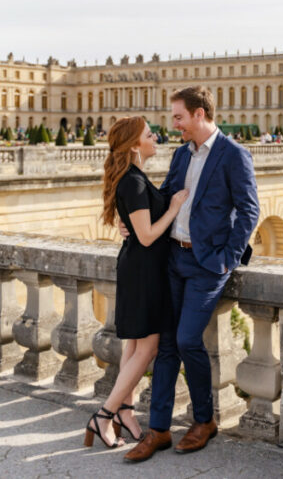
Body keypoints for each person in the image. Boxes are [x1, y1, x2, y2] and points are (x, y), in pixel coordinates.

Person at [124, 86, 259, 463]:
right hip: (173, 259)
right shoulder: (183, 154)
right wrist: (134, 223)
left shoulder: (234, 155)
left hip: (206, 265)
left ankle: (204, 419)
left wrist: (226, 259)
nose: (174, 125)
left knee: (186, 340)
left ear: (200, 114)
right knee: (167, 345)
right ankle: (159, 430)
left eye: (179, 117)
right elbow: (165, 195)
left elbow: (249, 211)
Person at [84, 117, 189, 450]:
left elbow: (136, 223)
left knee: (134, 345)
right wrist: (173, 207)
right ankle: (104, 415)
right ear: (133, 145)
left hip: (139, 268)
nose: (154, 137)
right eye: (148, 134)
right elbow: (146, 236)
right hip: (144, 270)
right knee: (148, 347)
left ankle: (125, 412)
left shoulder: (133, 179)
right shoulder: (134, 181)